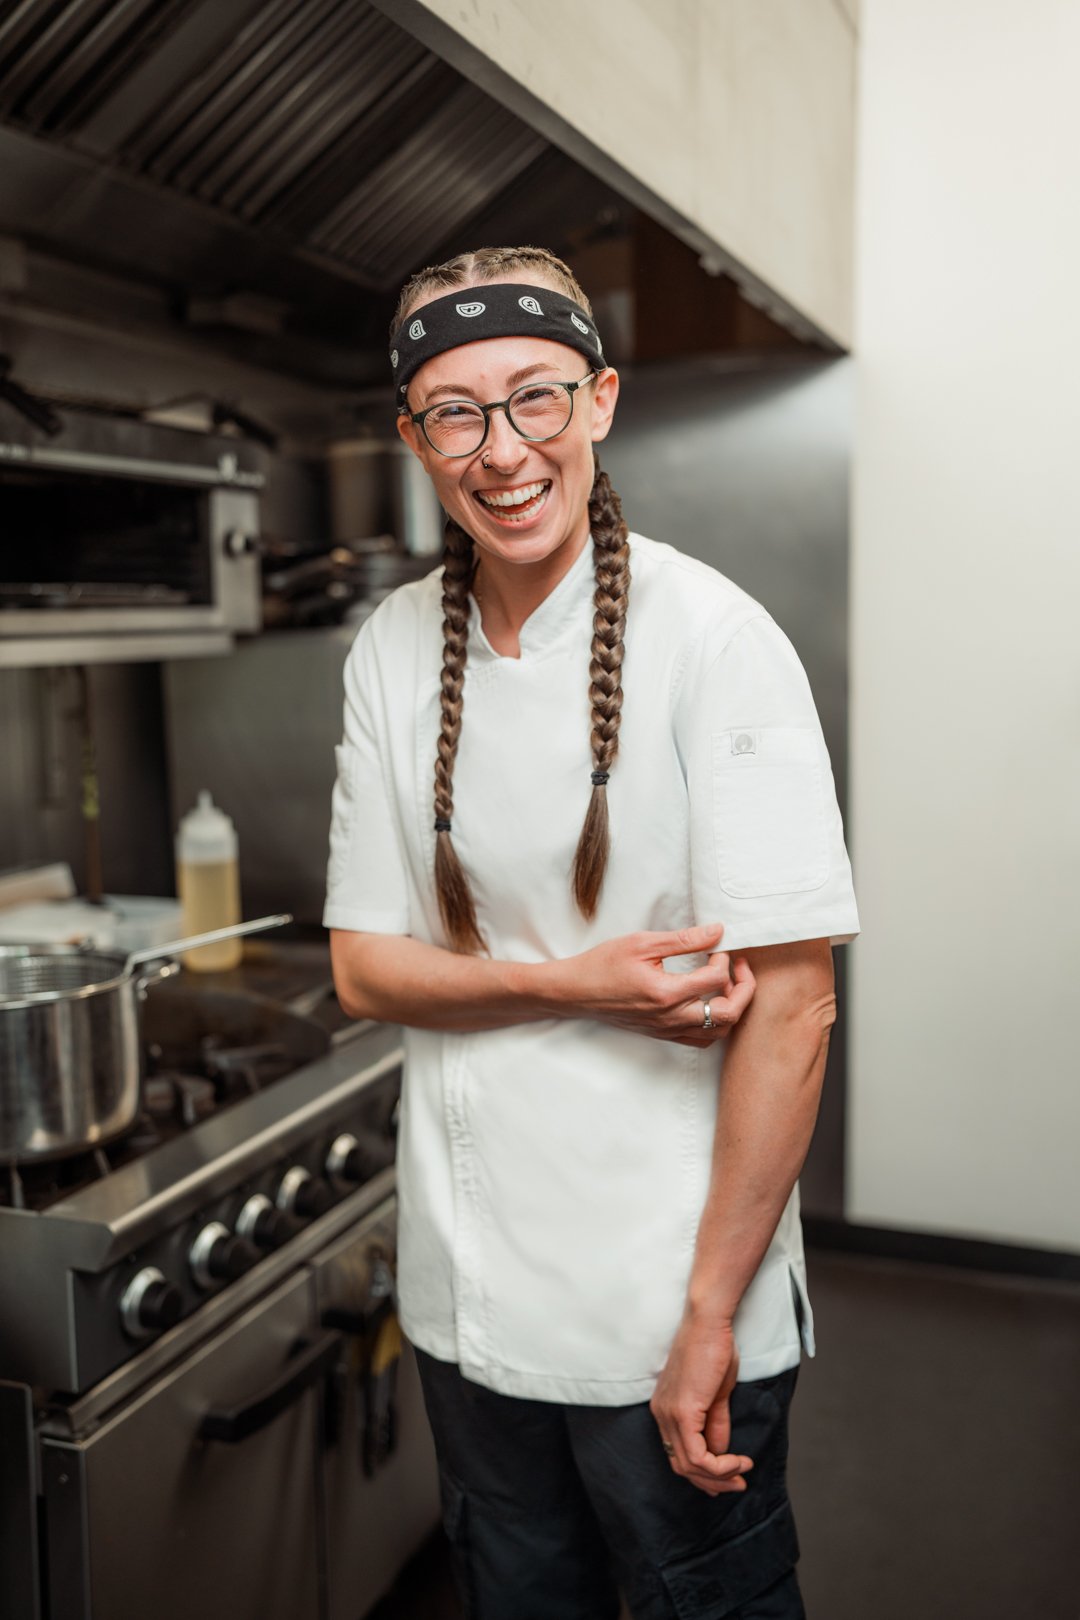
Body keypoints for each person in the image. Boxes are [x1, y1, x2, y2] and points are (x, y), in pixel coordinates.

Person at [325, 245, 859, 1620]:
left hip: (662, 1304)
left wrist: (707, 1324)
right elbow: (364, 965)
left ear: (602, 401)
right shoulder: (391, 646)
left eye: (536, 399)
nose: (501, 450)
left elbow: (793, 1012)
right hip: (469, 1300)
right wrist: (578, 984)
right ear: (411, 437)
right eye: (455, 410)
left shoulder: (715, 641)